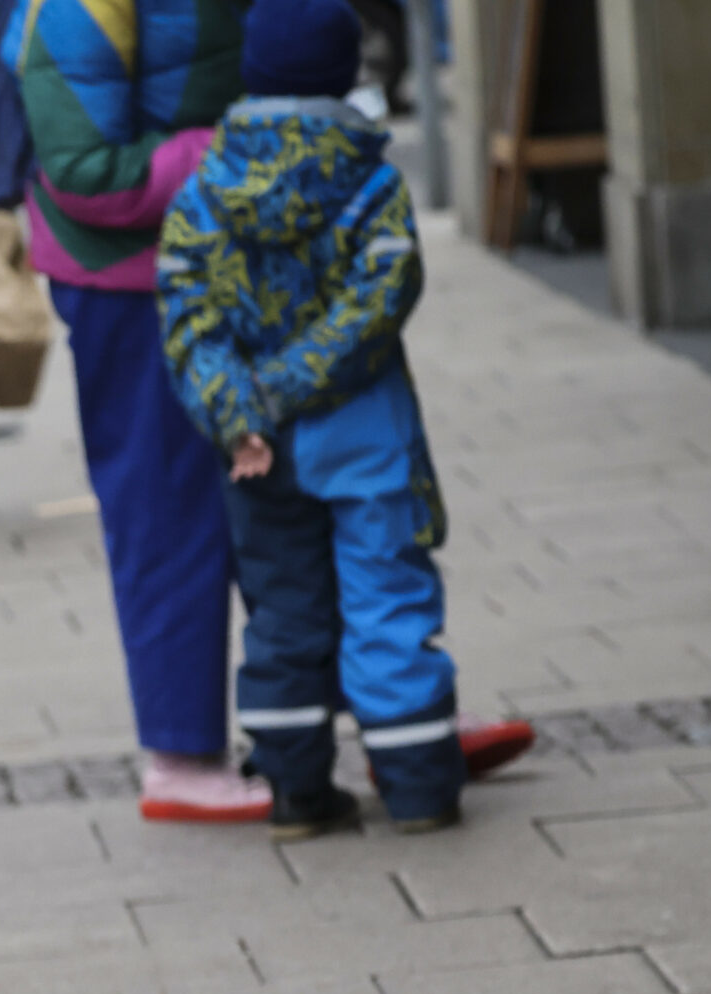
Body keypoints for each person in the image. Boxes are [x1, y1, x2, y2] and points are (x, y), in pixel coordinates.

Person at [157, 0, 529, 838]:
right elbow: (382, 298)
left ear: (251, 74)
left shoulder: (203, 194)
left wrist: (243, 411)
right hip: (368, 437)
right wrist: (293, 383)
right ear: (344, 73)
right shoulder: (371, 177)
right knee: (389, 599)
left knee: (284, 613)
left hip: (258, 450)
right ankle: (421, 784)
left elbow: (190, 324)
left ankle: (295, 792)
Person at [2, 0, 270, 822]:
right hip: (136, 281)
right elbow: (86, 172)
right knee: (166, 514)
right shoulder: (79, 10)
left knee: (301, 499)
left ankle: (368, 710)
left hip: (228, 254)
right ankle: (182, 753)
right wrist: (235, 155)